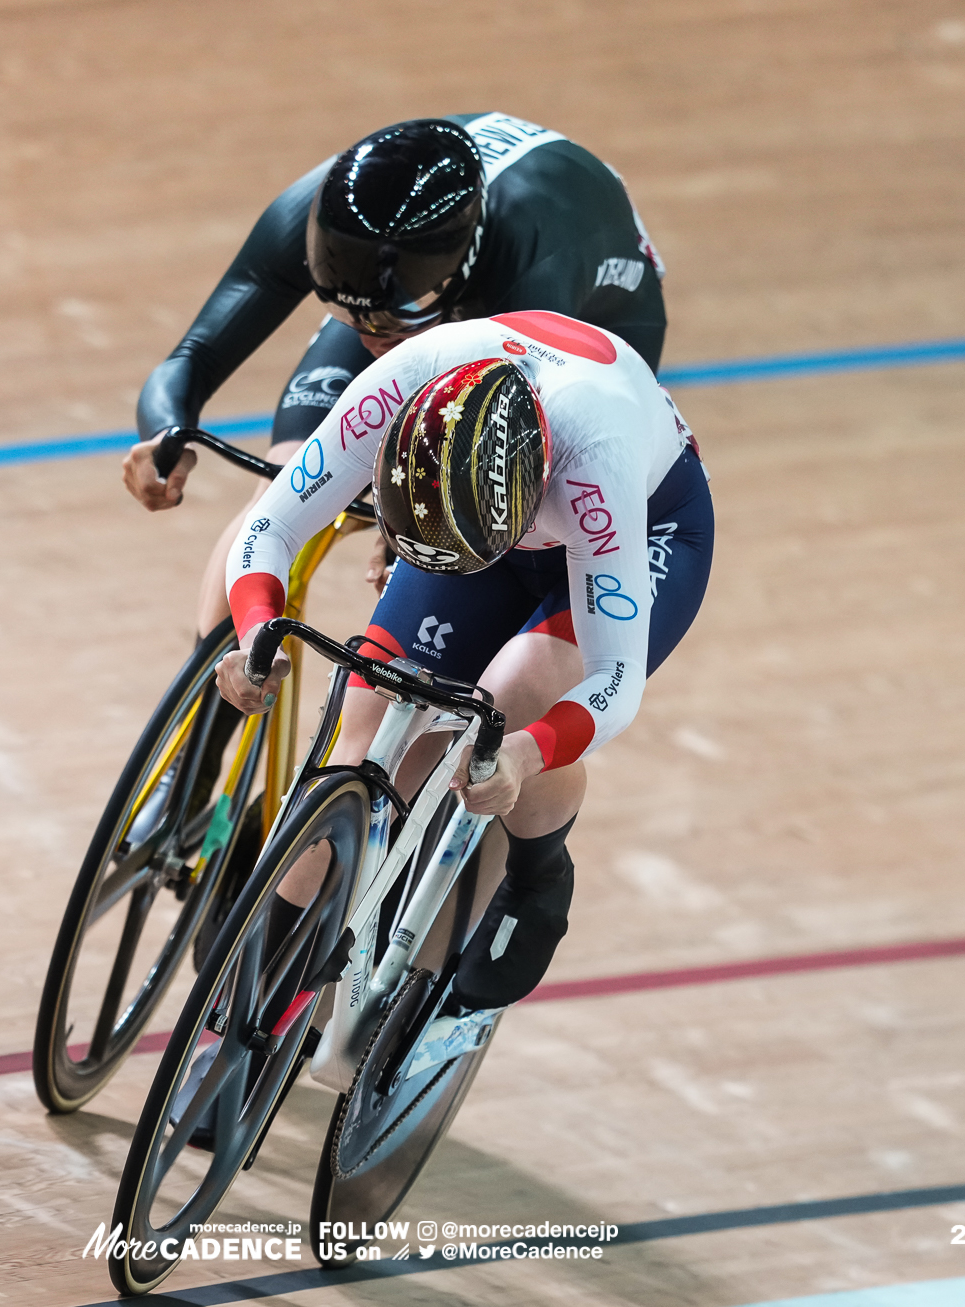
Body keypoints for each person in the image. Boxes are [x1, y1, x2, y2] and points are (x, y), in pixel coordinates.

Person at [214, 309, 712, 1017]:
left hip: (646, 528)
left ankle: (540, 869)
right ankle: (254, 1008)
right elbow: (272, 524)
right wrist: (255, 633)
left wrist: (525, 755)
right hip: (466, 523)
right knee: (362, 729)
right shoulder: (400, 381)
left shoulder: (595, 466)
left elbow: (616, 681)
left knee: (516, 696)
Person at [121, 114, 669, 630]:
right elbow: (194, 356)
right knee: (281, 484)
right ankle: (208, 718)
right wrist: (164, 433)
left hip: (582, 324)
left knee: (501, 545)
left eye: (389, 323)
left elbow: (498, 465)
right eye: (348, 314)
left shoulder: (531, 258)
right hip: (432, 286)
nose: (366, 338)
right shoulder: (334, 215)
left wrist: (408, 523)